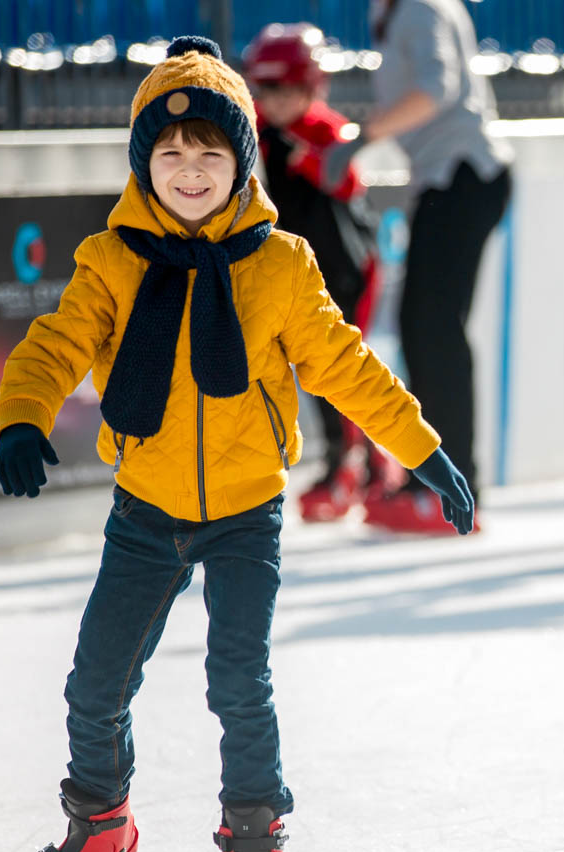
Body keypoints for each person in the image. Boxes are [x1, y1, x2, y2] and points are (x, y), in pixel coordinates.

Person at [0, 37, 474, 852]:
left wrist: (423, 450)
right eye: (170, 155)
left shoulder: (280, 264)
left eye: (211, 153)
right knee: (95, 683)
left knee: (237, 684)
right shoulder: (113, 259)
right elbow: (54, 345)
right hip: (145, 513)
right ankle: (103, 829)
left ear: (242, 161)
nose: (190, 170)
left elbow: (349, 369)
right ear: (144, 165)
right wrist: (22, 417)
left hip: (247, 512)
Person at [325, 0, 514, 533]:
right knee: (423, 328)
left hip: (461, 178)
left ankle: (454, 492)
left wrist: (363, 136)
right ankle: (435, 483)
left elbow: (435, 89)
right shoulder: (406, 12)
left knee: (434, 330)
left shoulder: (421, 8)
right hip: (448, 180)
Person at [244, 22, 399, 523]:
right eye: (268, 90)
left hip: (349, 272)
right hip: (307, 276)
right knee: (316, 377)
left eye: (290, 91)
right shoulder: (261, 134)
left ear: (313, 88)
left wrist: (307, 156)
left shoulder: (327, 130)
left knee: (343, 372)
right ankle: (358, 468)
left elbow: (345, 178)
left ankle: (353, 471)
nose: (279, 101)